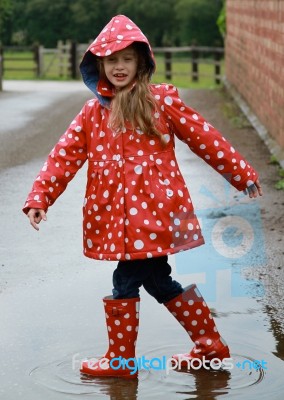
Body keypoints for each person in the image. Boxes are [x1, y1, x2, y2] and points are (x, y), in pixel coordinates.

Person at [23, 15, 262, 379]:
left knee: (126, 281)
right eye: (112, 59)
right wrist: (41, 196)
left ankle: (121, 363)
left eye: (127, 59)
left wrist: (240, 172)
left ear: (142, 62)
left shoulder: (159, 103)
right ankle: (210, 347)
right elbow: (63, 156)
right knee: (158, 281)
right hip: (118, 221)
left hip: (156, 217)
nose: (119, 67)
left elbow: (204, 136)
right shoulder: (91, 114)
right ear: (99, 64)